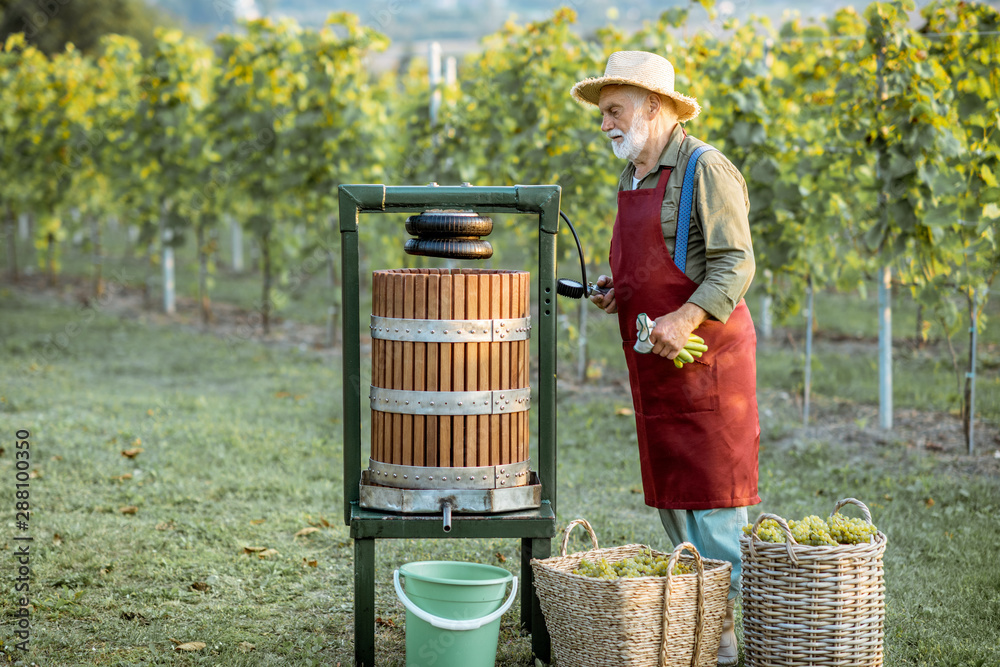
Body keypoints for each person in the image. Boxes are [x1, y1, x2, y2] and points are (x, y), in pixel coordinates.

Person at [572, 51, 759, 665]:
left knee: (713, 504)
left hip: (708, 364)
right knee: (674, 503)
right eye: (602, 114)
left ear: (654, 109)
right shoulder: (632, 177)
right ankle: (702, 633)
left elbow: (736, 262)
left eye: (614, 111)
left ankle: (733, 638)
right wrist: (615, 289)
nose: (605, 124)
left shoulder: (707, 169)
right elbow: (644, 264)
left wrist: (684, 317)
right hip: (657, 369)